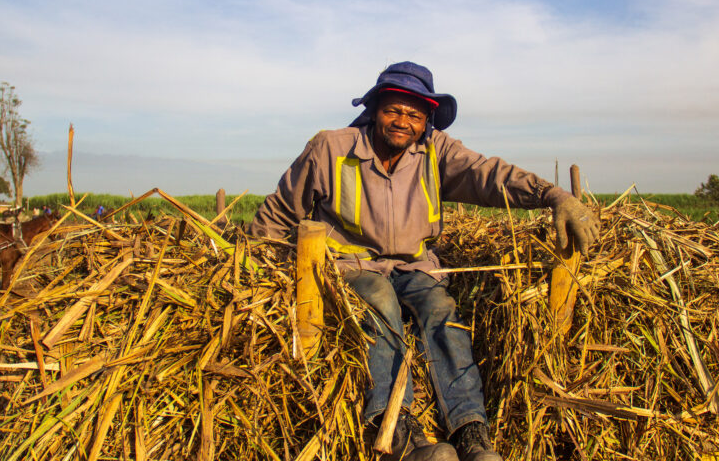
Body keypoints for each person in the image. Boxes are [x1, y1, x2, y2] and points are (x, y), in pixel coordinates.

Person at [247, 62, 599, 461]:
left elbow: (490, 174)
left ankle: (470, 431)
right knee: (379, 300)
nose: (403, 122)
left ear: (427, 120)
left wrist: (554, 196)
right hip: (353, 267)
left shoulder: (436, 152)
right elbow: (279, 212)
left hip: (416, 267)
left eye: (415, 115)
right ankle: (396, 429)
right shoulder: (331, 148)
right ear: (374, 109)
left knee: (441, 310)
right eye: (394, 110)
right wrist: (259, 269)